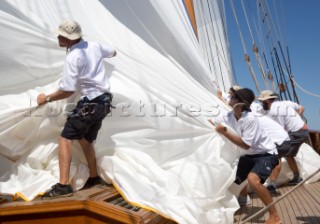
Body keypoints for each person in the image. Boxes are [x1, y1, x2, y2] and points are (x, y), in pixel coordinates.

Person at [37, 20, 117, 198]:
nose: (58, 37)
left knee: (65, 139)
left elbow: (68, 90)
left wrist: (47, 98)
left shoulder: (73, 57)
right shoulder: (95, 46)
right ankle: (94, 177)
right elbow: (113, 52)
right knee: (85, 140)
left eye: (61, 36)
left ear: (69, 39)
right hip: (104, 102)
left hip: (90, 102)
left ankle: (63, 185)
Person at [209, 88, 281, 224]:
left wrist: (224, 131)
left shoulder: (250, 119)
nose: (230, 97)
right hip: (249, 156)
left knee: (253, 180)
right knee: (229, 178)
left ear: (241, 103)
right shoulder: (229, 116)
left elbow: (245, 145)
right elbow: (212, 121)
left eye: (234, 96)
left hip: (266, 154)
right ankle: (243, 198)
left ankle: (275, 217)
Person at [258, 90, 308, 185]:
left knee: (276, 154)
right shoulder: (284, 103)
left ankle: (271, 184)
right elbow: (301, 108)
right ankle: (297, 177)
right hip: (302, 130)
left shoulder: (274, 111)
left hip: (296, 133)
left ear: (267, 100)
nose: (261, 103)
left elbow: (280, 132)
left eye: (262, 101)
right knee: (288, 155)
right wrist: (296, 118)